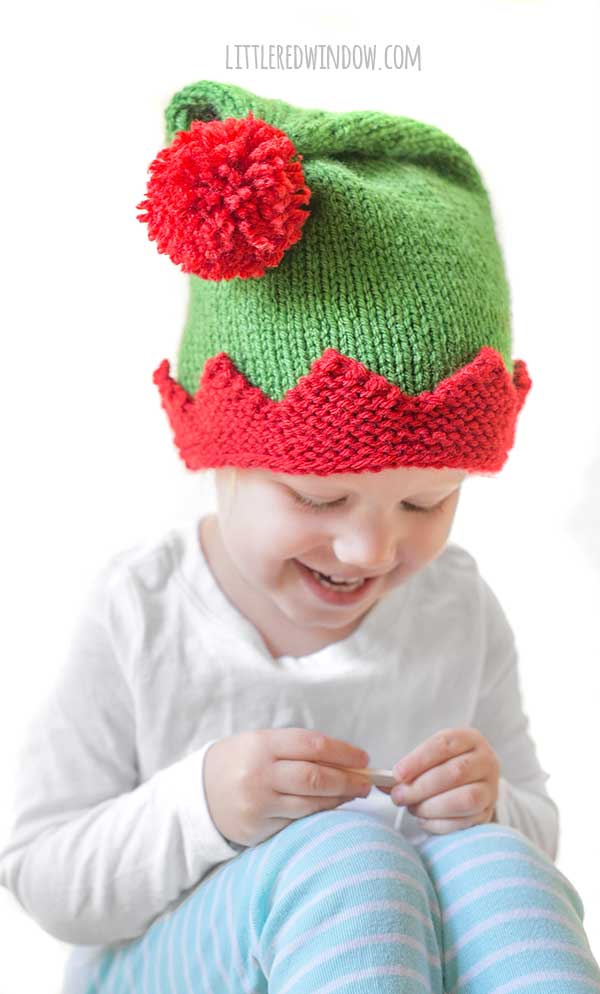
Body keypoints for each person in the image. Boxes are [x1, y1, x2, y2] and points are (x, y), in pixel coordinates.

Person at [1, 79, 599, 994]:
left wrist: (491, 806)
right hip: (172, 967)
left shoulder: (457, 607)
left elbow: (537, 828)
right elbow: (43, 874)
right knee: (347, 857)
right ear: (222, 460)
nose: (371, 551)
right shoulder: (143, 612)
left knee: (505, 872)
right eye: (321, 499)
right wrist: (203, 805)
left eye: (426, 502)